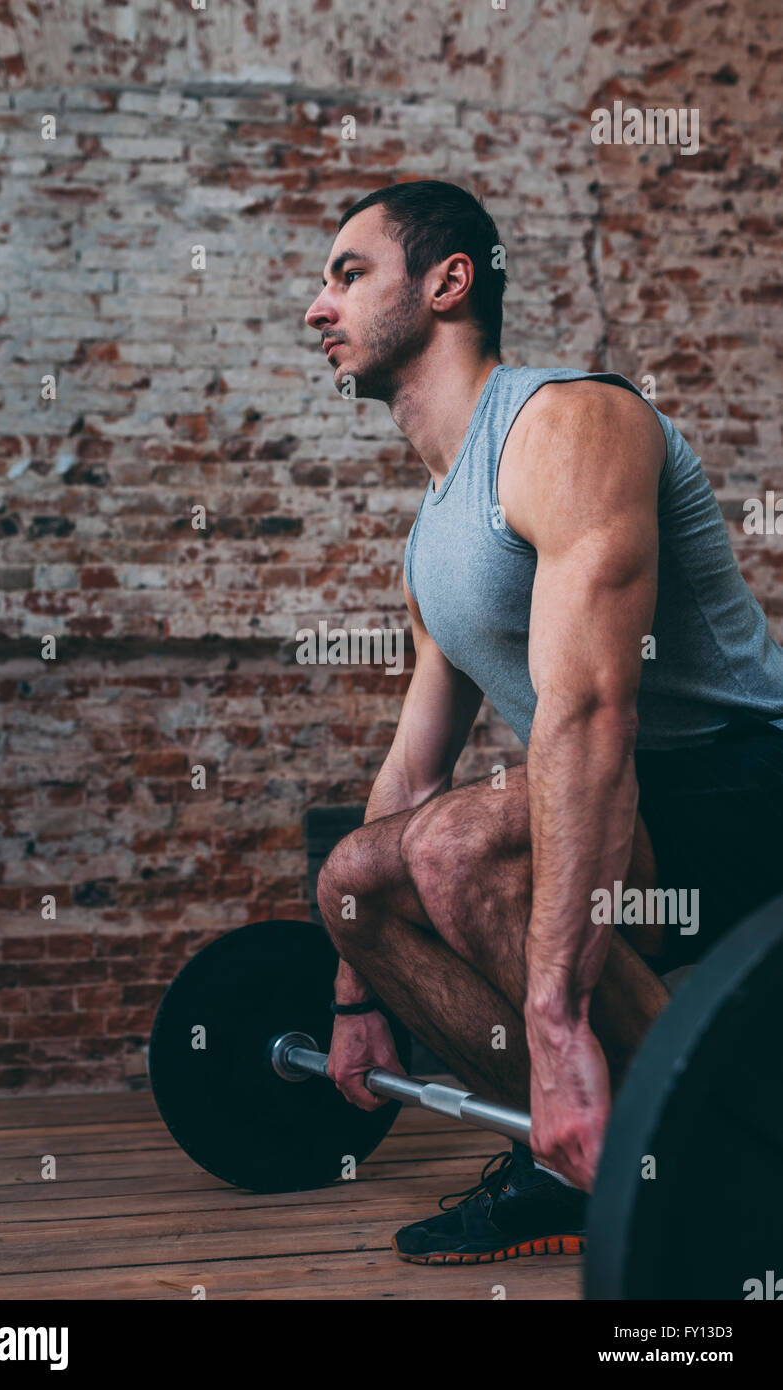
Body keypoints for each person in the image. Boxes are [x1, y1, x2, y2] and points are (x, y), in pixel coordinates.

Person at [304, 179, 783, 1264]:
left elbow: (588, 709)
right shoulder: (433, 540)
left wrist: (557, 1017)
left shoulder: (568, 424)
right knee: (351, 871)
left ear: (446, 283)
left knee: (469, 842)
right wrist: (353, 985)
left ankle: (710, 1158)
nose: (314, 307)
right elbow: (409, 773)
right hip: (636, 808)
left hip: (747, 784)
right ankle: (580, 1160)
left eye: (346, 273)